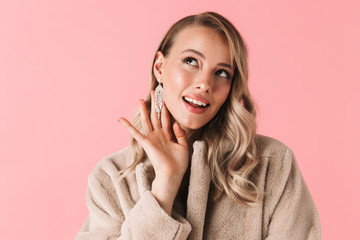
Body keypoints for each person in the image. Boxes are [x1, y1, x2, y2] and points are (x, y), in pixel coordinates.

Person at [76, 12, 321, 239]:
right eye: (191, 61)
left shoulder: (271, 164)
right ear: (160, 67)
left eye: (222, 73)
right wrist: (165, 184)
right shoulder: (112, 178)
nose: (205, 84)